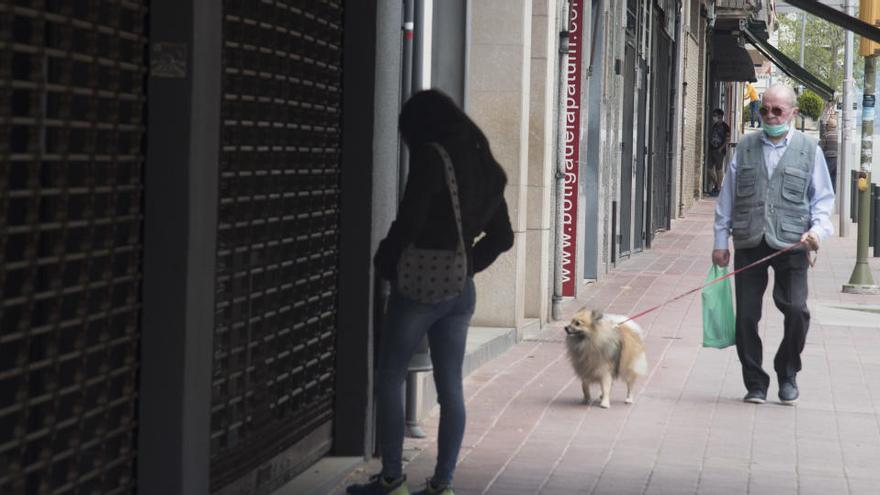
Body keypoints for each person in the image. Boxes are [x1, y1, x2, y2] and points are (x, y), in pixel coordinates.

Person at [348, 90, 513, 495]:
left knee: (390, 376)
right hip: (460, 289)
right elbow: (503, 236)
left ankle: (391, 479)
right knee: (450, 385)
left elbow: (409, 221)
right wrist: (466, 263)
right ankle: (443, 484)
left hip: (420, 286)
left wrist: (385, 263)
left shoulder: (432, 157)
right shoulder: (482, 162)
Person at [712, 84, 835, 406]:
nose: (769, 115)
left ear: (793, 112)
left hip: (793, 243)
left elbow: (822, 200)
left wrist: (817, 233)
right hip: (750, 239)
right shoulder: (746, 147)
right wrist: (720, 241)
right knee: (746, 318)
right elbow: (728, 198)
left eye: (777, 110)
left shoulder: (811, 150)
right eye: (764, 109)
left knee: (796, 310)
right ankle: (754, 382)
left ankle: (788, 371)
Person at [707, 108, 731, 196]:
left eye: (715, 115)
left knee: (718, 169)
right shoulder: (714, 126)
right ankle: (717, 185)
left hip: (720, 151)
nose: (714, 117)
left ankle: (719, 188)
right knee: (709, 169)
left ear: (720, 116)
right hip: (712, 150)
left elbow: (727, 139)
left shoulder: (726, 127)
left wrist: (721, 148)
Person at [820, 106, 839, 193]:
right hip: (837, 157)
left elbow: (822, 146)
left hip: (828, 157)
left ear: (828, 126)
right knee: (835, 176)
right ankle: (834, 191)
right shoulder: (837, 135)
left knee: (827, 175)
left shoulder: (826, 135)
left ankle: (828, 190)